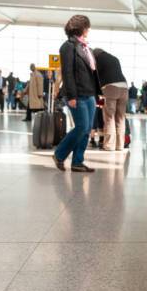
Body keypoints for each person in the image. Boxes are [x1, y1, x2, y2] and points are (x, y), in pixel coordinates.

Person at [53, 15, 98, 173]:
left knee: (86, 130)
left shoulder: (86, 47)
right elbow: (67, 72)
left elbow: (91, 73)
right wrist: (71, 96)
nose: (89, 30)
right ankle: (59, 154)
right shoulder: (68, 46)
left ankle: (77, 162)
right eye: (88, 26)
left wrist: (97, 93)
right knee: (81, 127)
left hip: (89, 94)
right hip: (77, 94)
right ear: (81, 28)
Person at [93, 48, 128, 151]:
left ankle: (109, 145)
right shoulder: (114, 58)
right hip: (124, 88)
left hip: (110, 88)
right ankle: (120, 145)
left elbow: (96, 78)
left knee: (109, 117)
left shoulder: (97, 60)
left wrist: (97, 95)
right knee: (120, 118)